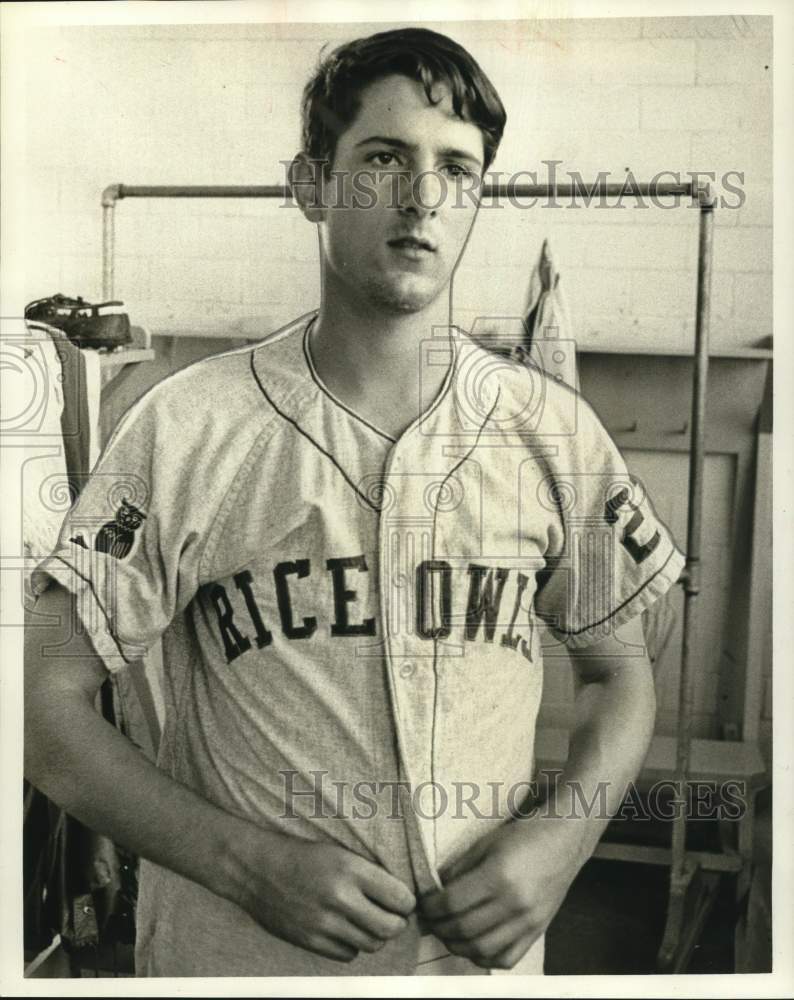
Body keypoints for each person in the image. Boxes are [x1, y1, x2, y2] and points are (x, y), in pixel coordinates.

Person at [25, 26, 685, 977]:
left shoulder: (551, 429)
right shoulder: (188, 426)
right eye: (383, 158)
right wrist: (239, 860)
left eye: (456, 169)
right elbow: (43, 704)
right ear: (311, 185)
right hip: (241, 962)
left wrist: (562, 843)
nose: (422, 198)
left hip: (475, 974)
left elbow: (619, 675)